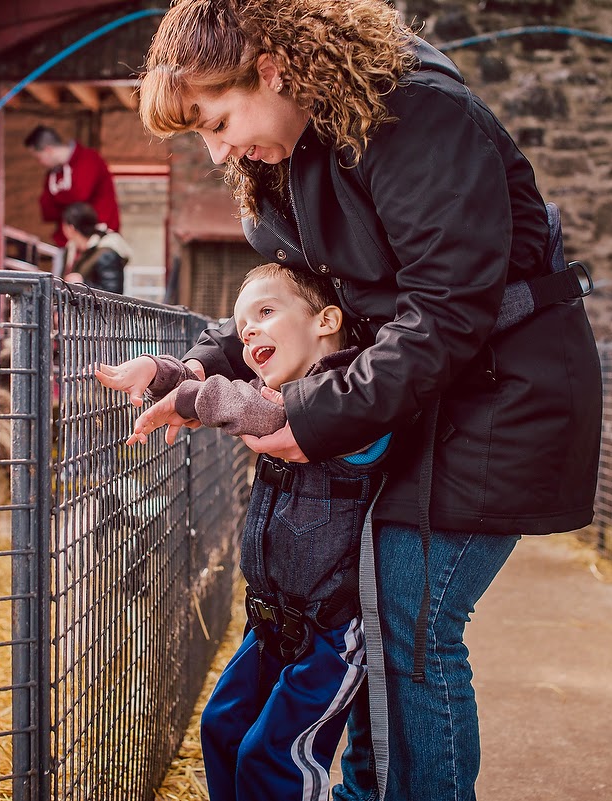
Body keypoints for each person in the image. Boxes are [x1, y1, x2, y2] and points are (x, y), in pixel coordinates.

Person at [128, 2, 604, 800]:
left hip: (501, 392)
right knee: (380, 613)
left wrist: (311, 418)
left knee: (413, 620)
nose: (217, 152)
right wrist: (192, 368)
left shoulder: (417, 118)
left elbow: (447, 312)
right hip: (429, 395)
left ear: (271, 69)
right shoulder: (294, 156)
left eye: (218, 122)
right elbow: (301, 303)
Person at [97, 262, 390, 801]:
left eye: (265, 312)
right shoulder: (276, 388)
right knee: (223, 726)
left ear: (326, 320)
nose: (248, 330)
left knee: (274, 756)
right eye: (241, 323)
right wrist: (165, 373)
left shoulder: (354, 396)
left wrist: (192, 397)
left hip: (331, 632)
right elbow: (244, 398)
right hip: (271, 619)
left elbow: (260, 412)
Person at [24, 125, 120, 248]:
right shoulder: (53, 174)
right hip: (68, 242)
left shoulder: (89, 159)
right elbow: (47, 211)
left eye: (39, 158)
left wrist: (57, 198)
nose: (40, 163)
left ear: (49, 150)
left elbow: (79, 197)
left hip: (98, 240)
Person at [61, 202, 131, 294]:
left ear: (71, 228)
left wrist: (83, 284)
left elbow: (113, 292)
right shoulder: (71, 249)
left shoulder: (106, 251)